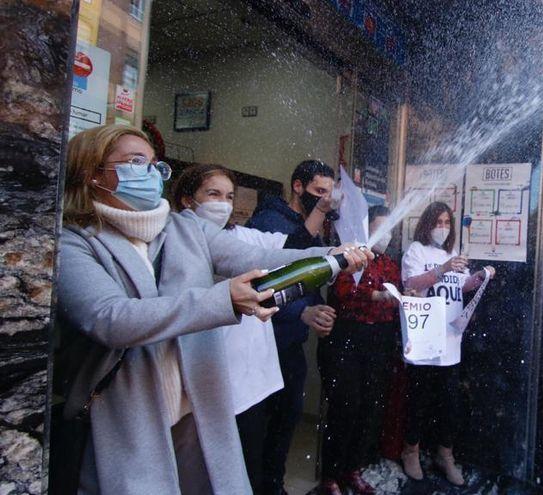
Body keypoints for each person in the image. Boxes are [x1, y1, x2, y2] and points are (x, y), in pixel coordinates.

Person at [52, 125, 369, 494]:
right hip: (126, 417)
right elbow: (110, 319)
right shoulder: (73, 242)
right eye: (136, 162)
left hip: (194, 409)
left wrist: (328, 256)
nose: (151, 173)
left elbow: (259, 258)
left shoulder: (186, 229)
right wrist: (223, 300)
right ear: (91, 172)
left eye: (155, 164)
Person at [172, 163, 290, 492]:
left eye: (229, 196)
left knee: (247, 467)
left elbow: (289, 248)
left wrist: (329, 252)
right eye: (213, 194)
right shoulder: (172, 246)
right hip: (207, 382)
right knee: (204, 475)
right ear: (186, 200)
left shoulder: (243, 238)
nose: (223, 204)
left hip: (253, 381)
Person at [246, 159, 340, 494]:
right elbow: (271, 281)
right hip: (264, 344)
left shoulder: (311, 224)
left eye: (329, 194)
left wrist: (314, 309)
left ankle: (274, 485)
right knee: (260, 428)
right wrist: (301, 311)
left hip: (291, 346)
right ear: (297, 187)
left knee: (286, 422)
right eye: (318, 192)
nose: (324, 200)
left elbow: (307, 278)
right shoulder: (269, 222)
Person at [400, 202, 495, 486]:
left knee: (449, 405)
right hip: (425, 339)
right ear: (427, 223)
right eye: (437, 222)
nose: (442, 227)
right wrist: (441, 269)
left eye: (446, 222)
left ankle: (445, 454)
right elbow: (411, 283)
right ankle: (411, 452)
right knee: (418, 401)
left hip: (451, 341)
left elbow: (462, 285)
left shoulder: (451, 253)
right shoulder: (416, 250)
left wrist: (478, 278)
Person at [317, 205, 401, 495]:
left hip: (380, 340)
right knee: (345, 407)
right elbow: (343, 291)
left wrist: (406, 297)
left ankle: (353, 468)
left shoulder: (390, 263)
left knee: (370, 407)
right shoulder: (351, 258)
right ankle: (330, 476)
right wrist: (377, 295)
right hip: (348, 338)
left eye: (390, 228)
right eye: (381, 227)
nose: (386, 234)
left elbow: (398, 292)